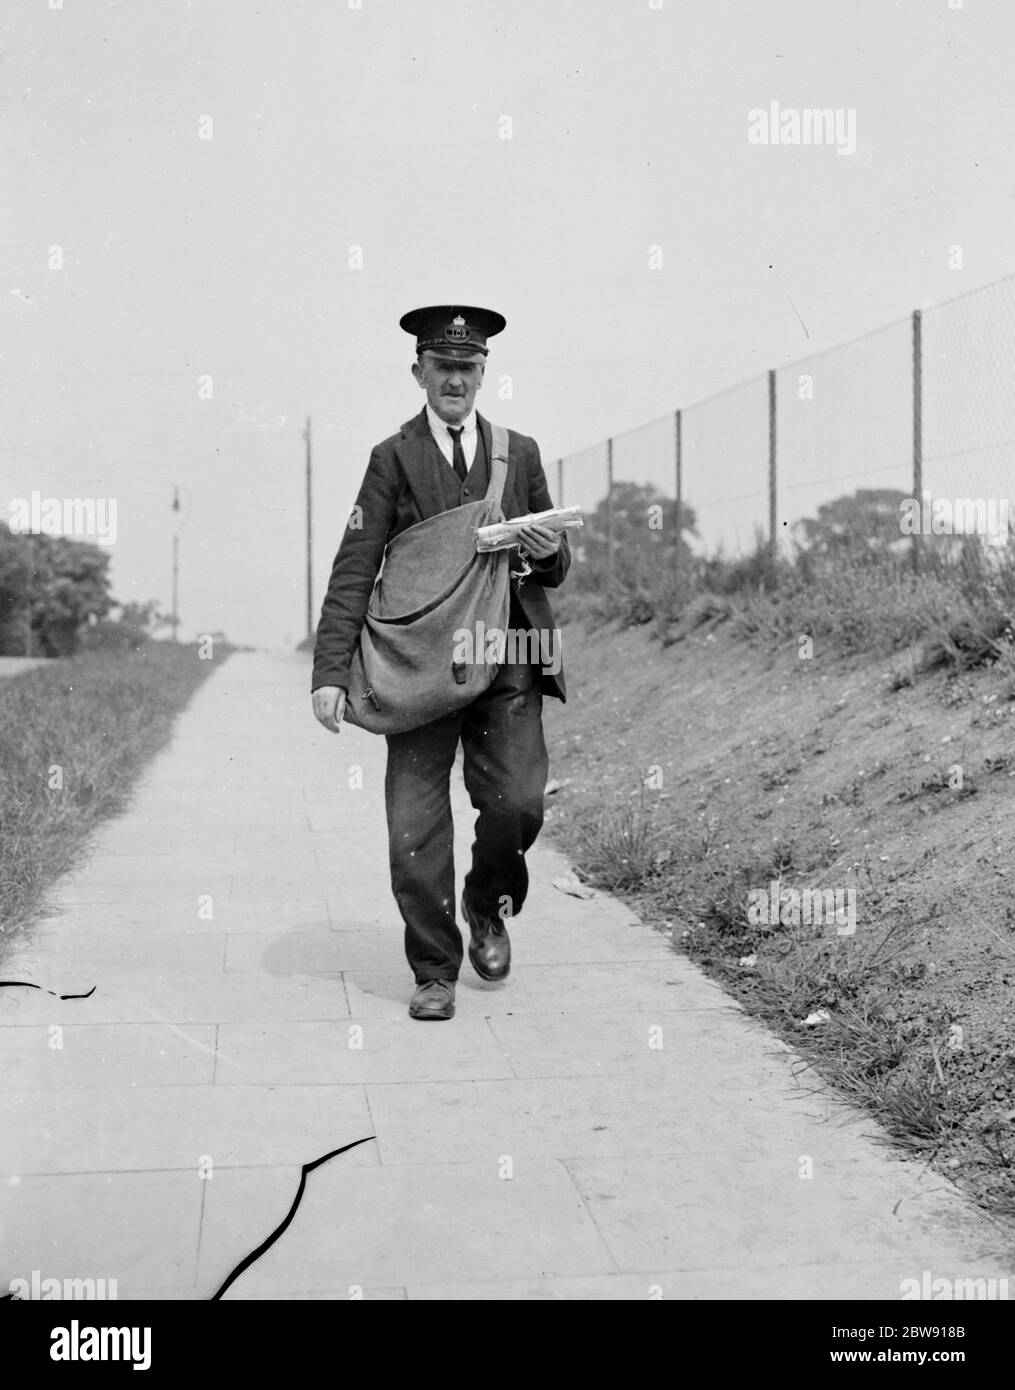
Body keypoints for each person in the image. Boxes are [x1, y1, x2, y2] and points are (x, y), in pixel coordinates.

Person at [311, 304, 570, 1020]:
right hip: (420, 662)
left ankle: (486, 906)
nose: (455, 379)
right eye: (443, 366)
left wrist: (550, 551)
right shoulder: (391, 458)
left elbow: (554, 568)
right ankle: (433, 969)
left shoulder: (518, 452)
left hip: (505, 653)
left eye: (468, 367)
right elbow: (354, 568)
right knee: (414, 828)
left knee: (517, 802)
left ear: (484, 372)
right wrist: (332, 674)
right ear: (419, 370)